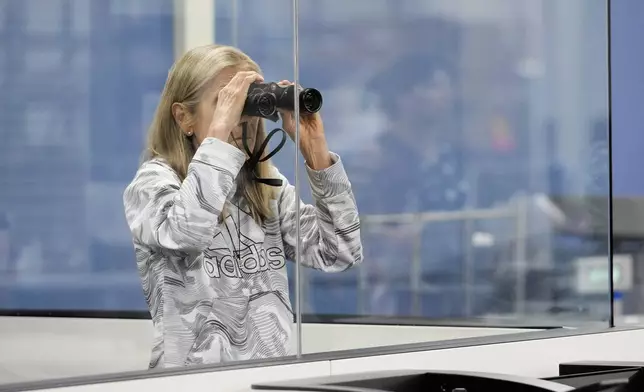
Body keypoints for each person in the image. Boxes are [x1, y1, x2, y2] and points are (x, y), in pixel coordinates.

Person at [123, 45, 363, 368]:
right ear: (184, 117)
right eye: (226, 102)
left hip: (265, 380)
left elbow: (340, 251)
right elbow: (187, 233)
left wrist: (317, 156)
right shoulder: (152, 184)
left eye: (248, 102)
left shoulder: (264, 186)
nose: (240, 116)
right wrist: (220, 133)